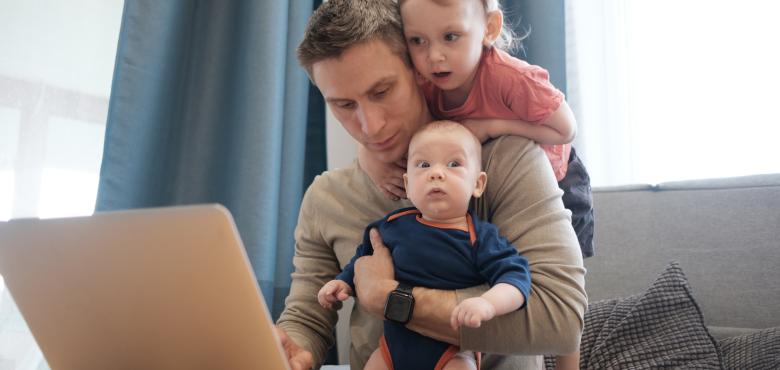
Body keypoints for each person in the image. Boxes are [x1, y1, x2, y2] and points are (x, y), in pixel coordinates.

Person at [275, 1, 587, 369]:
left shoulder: (507, 162)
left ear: (420, 71)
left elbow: (562, 320)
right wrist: (295, 350)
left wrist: (394, 299)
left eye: (382, 91)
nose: (370, 126)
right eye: (344, 104)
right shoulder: (327, 197)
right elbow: (307, 316)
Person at [358, 0, 595, 265]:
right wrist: (370, 160)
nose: (434, 56)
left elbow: (565, 129)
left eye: (450, 37)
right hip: (483, 186)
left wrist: (493, 126)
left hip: (558, 182)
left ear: (489, 28)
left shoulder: (510, 77)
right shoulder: (424, 80)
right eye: (417, 40)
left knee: (555, 268)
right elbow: (381, 122)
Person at [319, 121, 532, 370]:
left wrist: (488, 303)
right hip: (392, 351)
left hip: (452, 353)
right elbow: (364, 259)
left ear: (478, 184)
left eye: (453, 164)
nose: (436, 173)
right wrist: (342, 282)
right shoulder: (392, 226)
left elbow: (516, 278)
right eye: (424, 165)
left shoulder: (480, 237)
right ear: (408, 185)